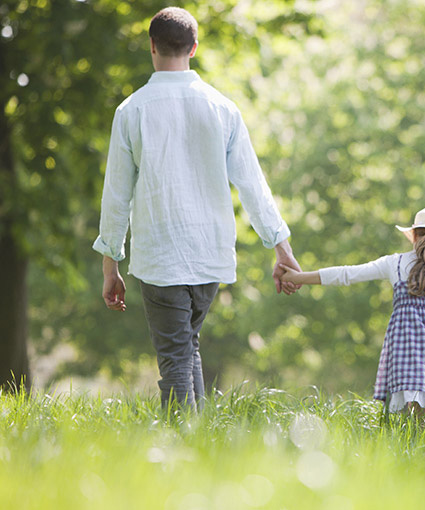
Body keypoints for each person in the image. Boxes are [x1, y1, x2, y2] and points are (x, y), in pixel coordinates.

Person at [93, 7, 301, 408]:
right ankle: (201, 438)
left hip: (160, 253)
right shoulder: (223, 108)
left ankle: (179, 442)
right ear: (194, 48)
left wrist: (110, 265)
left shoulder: (131, 110)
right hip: (209, 252)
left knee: (175, 357)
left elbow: (116, 195)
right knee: (187, 348)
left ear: (152, 46)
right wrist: (281, 247)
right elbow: (252, 183)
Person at [280, 206, 425, 420]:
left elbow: (347, 274)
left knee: (410, 412)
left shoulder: (394, 263)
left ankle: (412, 441)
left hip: (405, 345)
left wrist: (298, 277)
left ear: (414, 236)